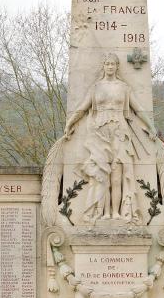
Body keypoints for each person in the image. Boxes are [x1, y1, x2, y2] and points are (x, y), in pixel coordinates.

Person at [63, 53, 157, 223]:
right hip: (99, 133)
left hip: (120, 133)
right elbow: (82, 108)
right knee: (102, 175)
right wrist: (69, 123)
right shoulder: (96, 87)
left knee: (117, 175)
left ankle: (116, 212)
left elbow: (138, 108)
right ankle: (104, 212)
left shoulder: (124, 88)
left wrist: (150, 125)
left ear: (117, 66)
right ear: (103, 66)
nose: (110, 66)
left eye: (113, 64)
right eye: (107, 63)